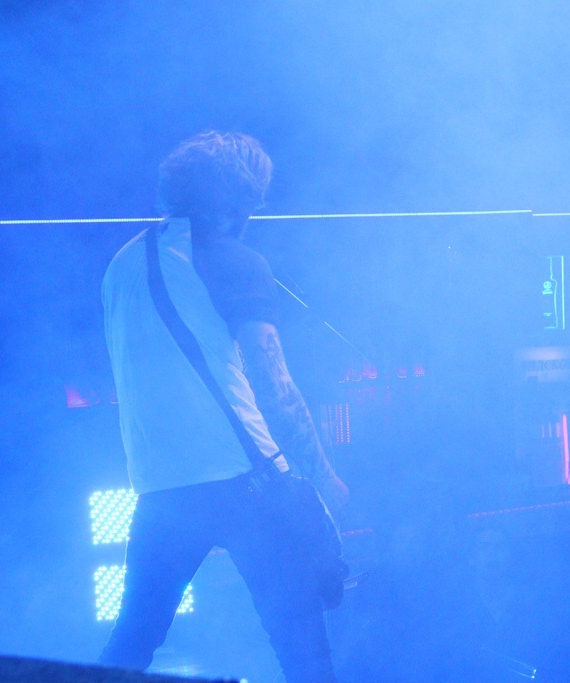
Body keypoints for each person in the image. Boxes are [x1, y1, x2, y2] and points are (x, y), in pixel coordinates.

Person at [99, 131, 349, 683]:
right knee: (305, 652)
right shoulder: (232, 259)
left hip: (160, 487)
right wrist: (323, 477)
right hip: (245, 481)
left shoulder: (121, 262)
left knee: (131, 642)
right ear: (239, 199)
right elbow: (274, 383)